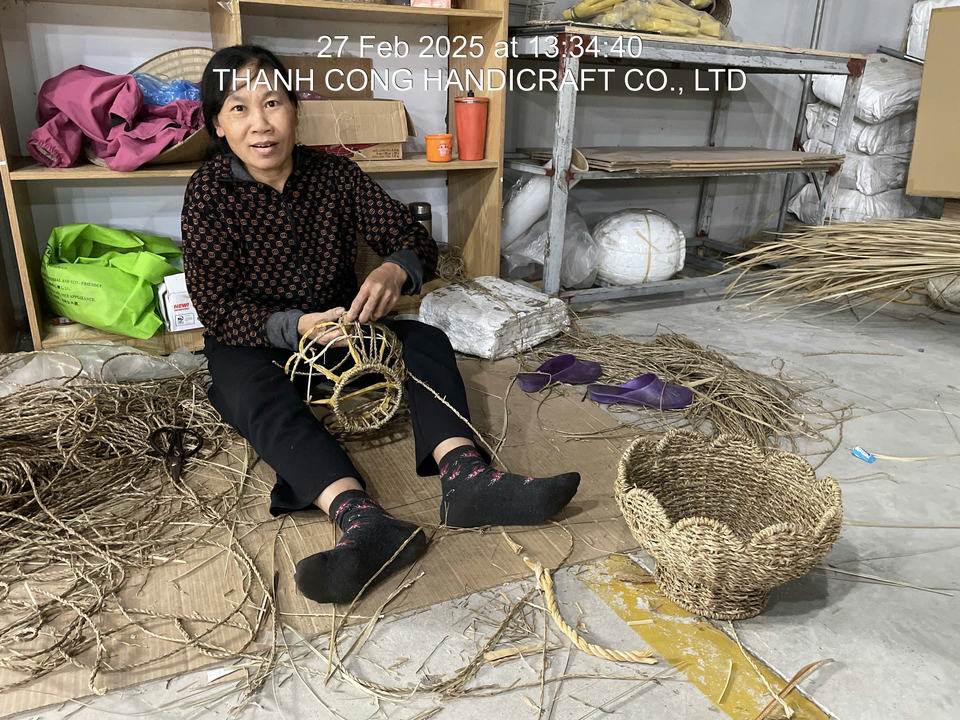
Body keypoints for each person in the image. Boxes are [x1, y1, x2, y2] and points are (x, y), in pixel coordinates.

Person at [181, 45, 580, 605]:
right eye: (239, 109)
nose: (260, 124)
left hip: (345, 332)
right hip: (259, 339)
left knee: (426, 340)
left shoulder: (336, 176)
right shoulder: (207, 193)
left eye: (272, 103)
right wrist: (295, 325)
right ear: (218, 125)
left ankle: (466, 478)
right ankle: (361, 520)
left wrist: (396, 269)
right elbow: (217, 307)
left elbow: (412, 237)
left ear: (295, 110)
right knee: (248, 388)